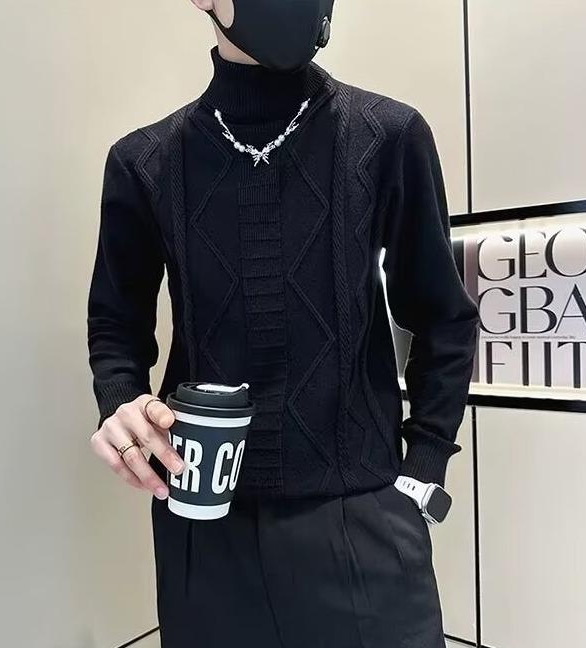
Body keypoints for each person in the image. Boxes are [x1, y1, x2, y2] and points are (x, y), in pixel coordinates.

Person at [86, 1, 481, 646]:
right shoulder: (143, 161)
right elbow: (115, 325)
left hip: (364, 519)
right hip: (202, 526)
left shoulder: (389, 135)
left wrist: (423, 470)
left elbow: (444, 318)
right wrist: (120, 402)